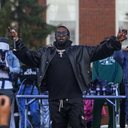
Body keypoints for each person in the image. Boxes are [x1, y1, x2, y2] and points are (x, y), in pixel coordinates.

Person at [9, 25, 127, 128]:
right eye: (58, 33)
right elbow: (28, 57)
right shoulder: (45, 53)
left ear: (69, 36)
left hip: (75, 100)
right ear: (54, 36)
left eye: (63, 33)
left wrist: (115, 41)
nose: (61, 35)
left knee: (77, 125)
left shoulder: (80, 51)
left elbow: (99, 50)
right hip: (55, 100)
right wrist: (16, 40)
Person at [91, 55, 123, 128]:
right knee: (96, 111)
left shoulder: (117, 57)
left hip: (113, 89)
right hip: (99, 89)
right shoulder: (97, 58)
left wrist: (115, 83)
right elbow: (94, 72)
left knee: (113, 112)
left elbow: (119, 72)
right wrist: (97, 82)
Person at [0, 37, 20, 128]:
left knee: (5, 116)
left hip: (7, 87)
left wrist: (8, 69)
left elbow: (18, 69)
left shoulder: (11, 55)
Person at [113, 46, 128, 127]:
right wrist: (119, 46)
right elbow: (117, 58)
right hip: (126, 85)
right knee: (124, 109)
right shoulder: (124, 53)